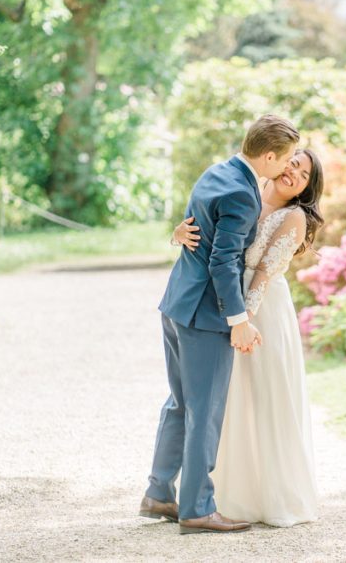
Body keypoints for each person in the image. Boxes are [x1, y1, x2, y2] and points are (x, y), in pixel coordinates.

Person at [140, 115, 299, 535]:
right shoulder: (242, 194)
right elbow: (222, 261)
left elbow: (197, 230)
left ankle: (158, 492)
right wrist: (239, 320)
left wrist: (178, 233)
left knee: (180, 403)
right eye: (286, 159)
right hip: (205, 316)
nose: (288, 167)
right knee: (205, 411)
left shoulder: (216, 172)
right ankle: (196, 508)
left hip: (177, 304)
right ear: (269, 156)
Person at [172, 148, 324, 527]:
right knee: (228, 400)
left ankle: (273, 496)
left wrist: (243, 321)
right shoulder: (244, 191)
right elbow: (209, 235)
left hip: (262, 311)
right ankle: (227, 494)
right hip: (226, 305)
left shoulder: (293, 217)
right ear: (277, 161)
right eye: (293, 163)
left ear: (306, 188)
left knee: (265, 395)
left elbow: (263, 275)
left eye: (304, 175)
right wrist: (177, 234)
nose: (293, 173)